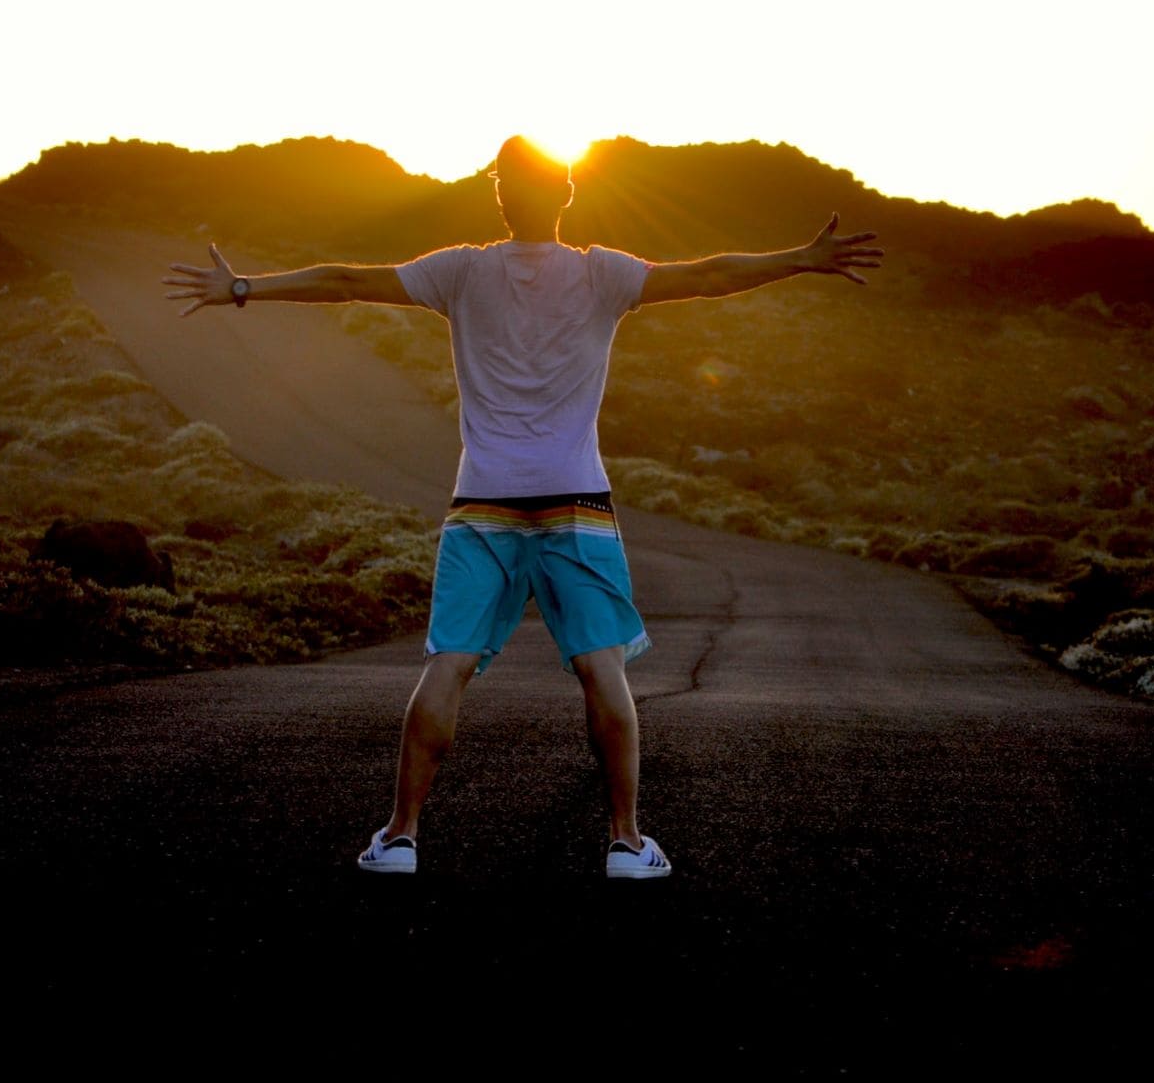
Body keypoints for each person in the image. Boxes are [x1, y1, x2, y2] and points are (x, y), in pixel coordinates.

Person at [163, 135, 882, 880]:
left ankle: (401, 838)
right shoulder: (603, 274)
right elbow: (707, 276)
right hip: (576, 498)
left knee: (450, 664)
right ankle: (627, 845)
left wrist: (242, 288)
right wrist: (799, 258)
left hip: (483, 502)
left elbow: (345, 278)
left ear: (498, 195)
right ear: (566, 192)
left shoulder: (461, 271)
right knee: (602, 670)